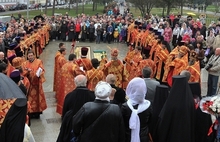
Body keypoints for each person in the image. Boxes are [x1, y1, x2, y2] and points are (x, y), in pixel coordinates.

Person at [155, 75, 195, 142]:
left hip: (173, 134)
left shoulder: (172, 101)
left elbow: (164, 120)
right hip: (186, 133)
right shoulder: (189, 99)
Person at [57, 75, 95, 142]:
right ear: (86, 83)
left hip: (72, 125)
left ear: (75, 83)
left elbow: (65, 112)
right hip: (88, 125)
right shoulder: (92, 95)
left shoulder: (69, 96)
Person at [121, 77, 152, 142]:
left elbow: (122, 124)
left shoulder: (125, 106)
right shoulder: (148, 105)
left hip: (128, 137)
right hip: (143, 137)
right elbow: (150, 121)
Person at [22, 50, 47, 119]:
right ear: (27, 56)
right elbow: (23, 73)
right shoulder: (25, 63)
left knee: (37, 98)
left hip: (37, 84)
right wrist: (27, 71)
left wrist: (37, 74)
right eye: (29, 56)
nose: (30, 57)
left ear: (34, 55)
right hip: (29, 85)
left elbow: (42, 70)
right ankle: (30, 111)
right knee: (29, 98)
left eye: (31, 55)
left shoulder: (39, 62)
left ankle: (37, 112)